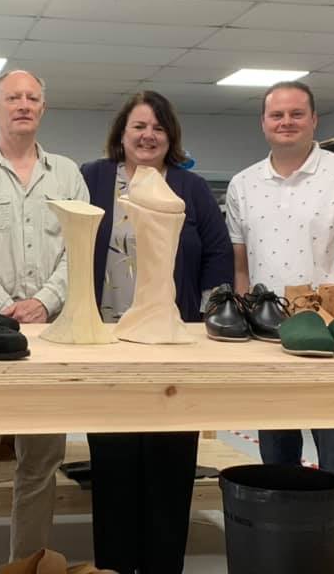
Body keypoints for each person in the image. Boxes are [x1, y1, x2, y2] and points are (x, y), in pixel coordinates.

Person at [81, 90, 233, 573]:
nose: (148, 136)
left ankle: (165, 565)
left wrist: (209, 317)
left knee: (170, 462)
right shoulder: (94, 179)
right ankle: (115, 565)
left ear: (170, 137)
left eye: (158, 128)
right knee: (113, 461)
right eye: (138, 127)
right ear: (120, 134)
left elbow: (218, 254)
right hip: (107, 340)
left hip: (173, 341)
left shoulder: (190, 187)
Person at [0, 70, 88, 573]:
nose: (22, 104)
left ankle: (27, 566)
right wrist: (4, 308)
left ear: (43, 108)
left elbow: (79, 249)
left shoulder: (68, 174)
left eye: (32, 97)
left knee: (40, 465)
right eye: (13, 97)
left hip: (49, 337)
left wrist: (45, 301)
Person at [225, 80, 334, 554]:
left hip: (329, 343)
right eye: (276, 115)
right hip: (271, 343)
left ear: (314, 120)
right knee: (276, 468)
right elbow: (242, 270)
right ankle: (282, 560)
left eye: (296, 114)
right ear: (263, 123)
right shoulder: (242, 184)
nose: (285, 122)